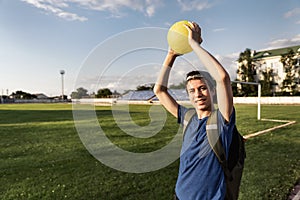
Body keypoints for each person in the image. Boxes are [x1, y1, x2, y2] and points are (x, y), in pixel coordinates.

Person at [153, 22, 235, 199]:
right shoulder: (187, 117)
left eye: (203, 88)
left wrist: (194, 45)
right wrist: (171, 55)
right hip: (179, 196)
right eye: (192, 90)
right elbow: (159, 90)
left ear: (212, 91)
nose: (197, 94)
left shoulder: (222, 120)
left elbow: (222, 78)